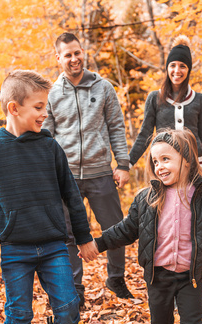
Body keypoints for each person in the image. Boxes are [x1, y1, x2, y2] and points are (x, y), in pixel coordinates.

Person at [0, 70, 98, 324]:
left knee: (69, 311)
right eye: (38, 107)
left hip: (54, 246)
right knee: (18, 316)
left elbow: (71, 195)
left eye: (45, 106)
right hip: (15, 249)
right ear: (14, 108)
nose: (45, 113)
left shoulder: (50, 148)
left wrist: (83, 236)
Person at [94, 129, 202, 324]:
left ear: (186, 159)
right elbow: (125, 230)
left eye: (165, 159)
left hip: (191, 278)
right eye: (155, 161)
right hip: (157, 278)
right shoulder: (147, 198)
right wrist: (97, 244)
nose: (159, 166)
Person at [43, 32, 133, 303]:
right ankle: (75, 289)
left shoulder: (103, 87)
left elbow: (116, 126)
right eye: (67, 55)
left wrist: (123, 164)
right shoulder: (51, 93)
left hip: (101, 172)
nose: (74, 59)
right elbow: (46, 137)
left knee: (116, 228)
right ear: (58, 58)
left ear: (83, 52)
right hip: (65, 176)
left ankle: (116, 279)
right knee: (67, 233)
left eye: (77, 53)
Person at [129, 35, 202, 187]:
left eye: (182, 66)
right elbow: (145, 135)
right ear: (167, 67)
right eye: (173, 65)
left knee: (194, 209)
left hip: (195, 168)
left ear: (188, 70)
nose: (177, 70)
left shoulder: (199, 99)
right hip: (165, 169)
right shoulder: (155, 97)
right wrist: (126, 165)